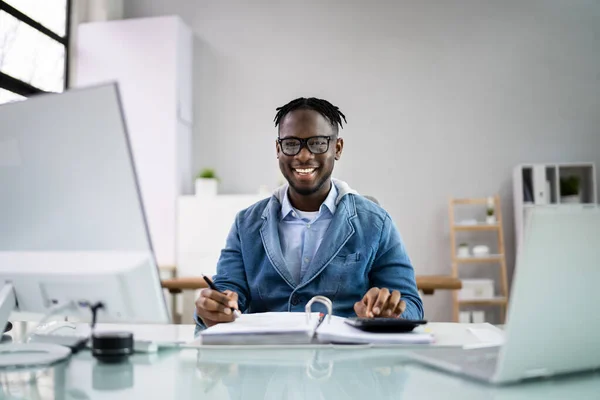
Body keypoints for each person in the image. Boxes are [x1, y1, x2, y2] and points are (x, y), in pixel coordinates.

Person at [195, 97, 423, 328]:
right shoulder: (246, 224)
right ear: (278, 149)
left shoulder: (376, 223)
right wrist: (215, 307)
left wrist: (388, 312)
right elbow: (227, 291)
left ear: (337, 148)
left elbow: (410, 304)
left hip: (345, 359)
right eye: (291, 144)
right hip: (267, 358)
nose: (303, 155)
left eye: (317, 143)